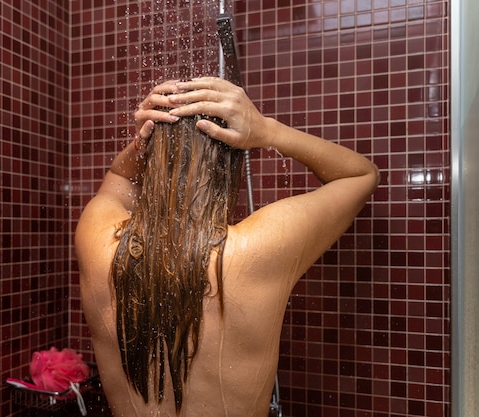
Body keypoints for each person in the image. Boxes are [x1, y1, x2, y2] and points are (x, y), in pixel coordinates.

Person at [75, 77, 379, 417]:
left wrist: (145, 138)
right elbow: (360, 176)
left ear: (149, 156)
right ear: (231, 164)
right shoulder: (258, 249)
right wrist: (267, 131)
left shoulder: (97, 242)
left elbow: (117, 181)